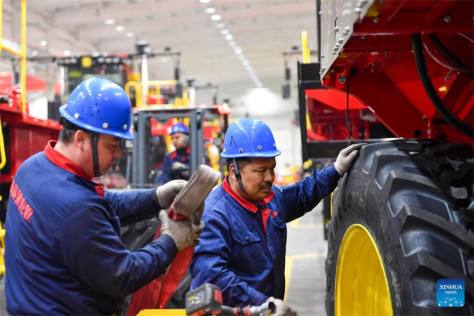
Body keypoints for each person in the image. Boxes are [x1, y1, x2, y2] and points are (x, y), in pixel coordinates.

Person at [4, 78, 203, 315]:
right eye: (112, 146)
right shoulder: (75, 208)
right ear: (80, 139)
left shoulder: (34, 167)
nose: (118, 154)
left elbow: (101, 201)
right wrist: (171, 242)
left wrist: (156, 197)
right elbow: (123, 275)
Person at [189, 118, 364, 314]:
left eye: (272, 168)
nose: (270, 177)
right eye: (260, 171)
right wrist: (263, 303)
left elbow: (301, 194)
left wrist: (335, 171)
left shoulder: (269, 199)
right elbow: (210, 277)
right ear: (233, 171)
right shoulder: (214, 216)